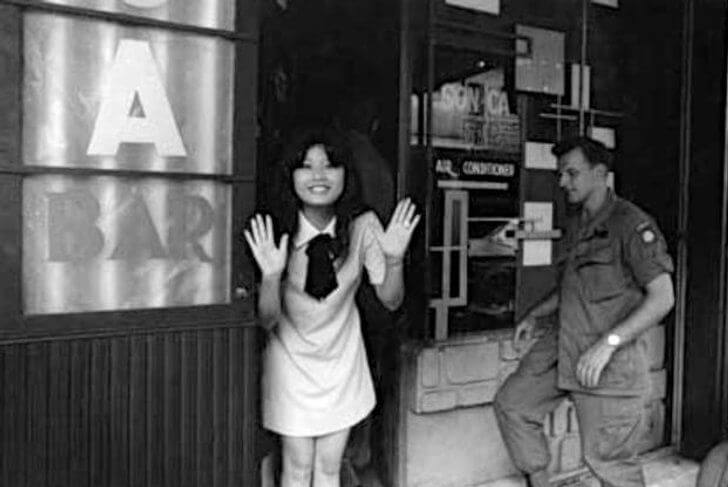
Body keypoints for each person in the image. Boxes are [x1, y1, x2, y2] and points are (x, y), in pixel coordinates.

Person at [493, 136, 675, 487]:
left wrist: (609, 343)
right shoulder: (578, 225)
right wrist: (535, 315)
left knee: (611, 467)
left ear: (600, 173)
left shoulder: (632, 225)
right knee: (513, 404)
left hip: (608, 363)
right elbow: (571, 288)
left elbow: (662, 297)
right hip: (564, 347)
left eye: (572, 173)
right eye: (561, 174)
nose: (563, 182)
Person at [243, 126, 420, 487]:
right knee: (296, 467)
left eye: (330, 165)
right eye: (306, 166)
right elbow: (267, 319)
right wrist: (272, 276)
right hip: (289, 364)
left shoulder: (363, 225)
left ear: (345, 174)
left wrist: (395, 260)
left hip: (342, 363)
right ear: (291, 175)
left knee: (328, 467)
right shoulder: (274, 229)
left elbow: (390, 299)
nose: (319, 176)